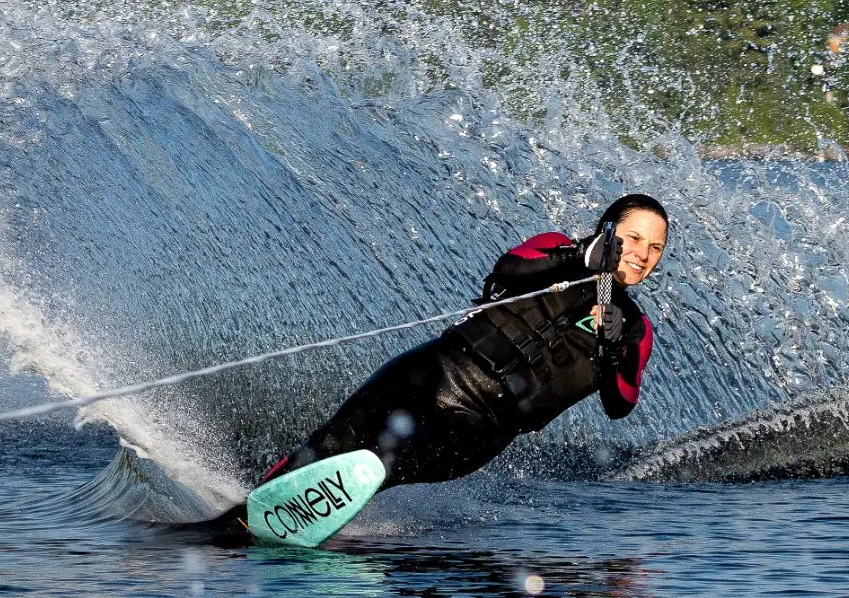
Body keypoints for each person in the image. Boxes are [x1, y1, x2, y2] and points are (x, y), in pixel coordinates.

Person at [252, 193, 668, 496]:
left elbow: (621, 405)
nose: (642, 254)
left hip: (483, 427)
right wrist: (579, 257)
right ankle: (247, 509)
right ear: (607, 232)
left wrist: (612, 348)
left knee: (379, 464)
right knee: (329, 444)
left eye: (655, 248)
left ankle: (302, 517)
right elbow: (509, 269)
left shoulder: (635, 328)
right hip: (435, 371)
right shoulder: (557, 248)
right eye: (633, 238)